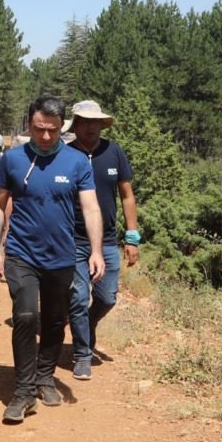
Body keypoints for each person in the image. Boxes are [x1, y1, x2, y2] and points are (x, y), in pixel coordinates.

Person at [0, 96, 104, 424]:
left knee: (55, 320)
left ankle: (44, 375)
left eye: (53, 130)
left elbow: (91, 207)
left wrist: (96, 251)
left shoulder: (77, 162)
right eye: (39, 129)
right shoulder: (12, 160)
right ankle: (23, 392)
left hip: (62, 256)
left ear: (62, 127)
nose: (46, 136)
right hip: (22, 253)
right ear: (29, 124)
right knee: (25, 316)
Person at [65, 101, 139, 380]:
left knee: (107, 297)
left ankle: (89, 323)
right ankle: (82, 353)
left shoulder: (114, 152)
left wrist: (132, 237)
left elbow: (127, 195)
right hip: (73, 239)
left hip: (107, 240)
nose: (90, 126)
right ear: (76, 124)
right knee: (78, 297)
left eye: (95, 121)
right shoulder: (65, 153)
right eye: (84, 121)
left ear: (101, 124)